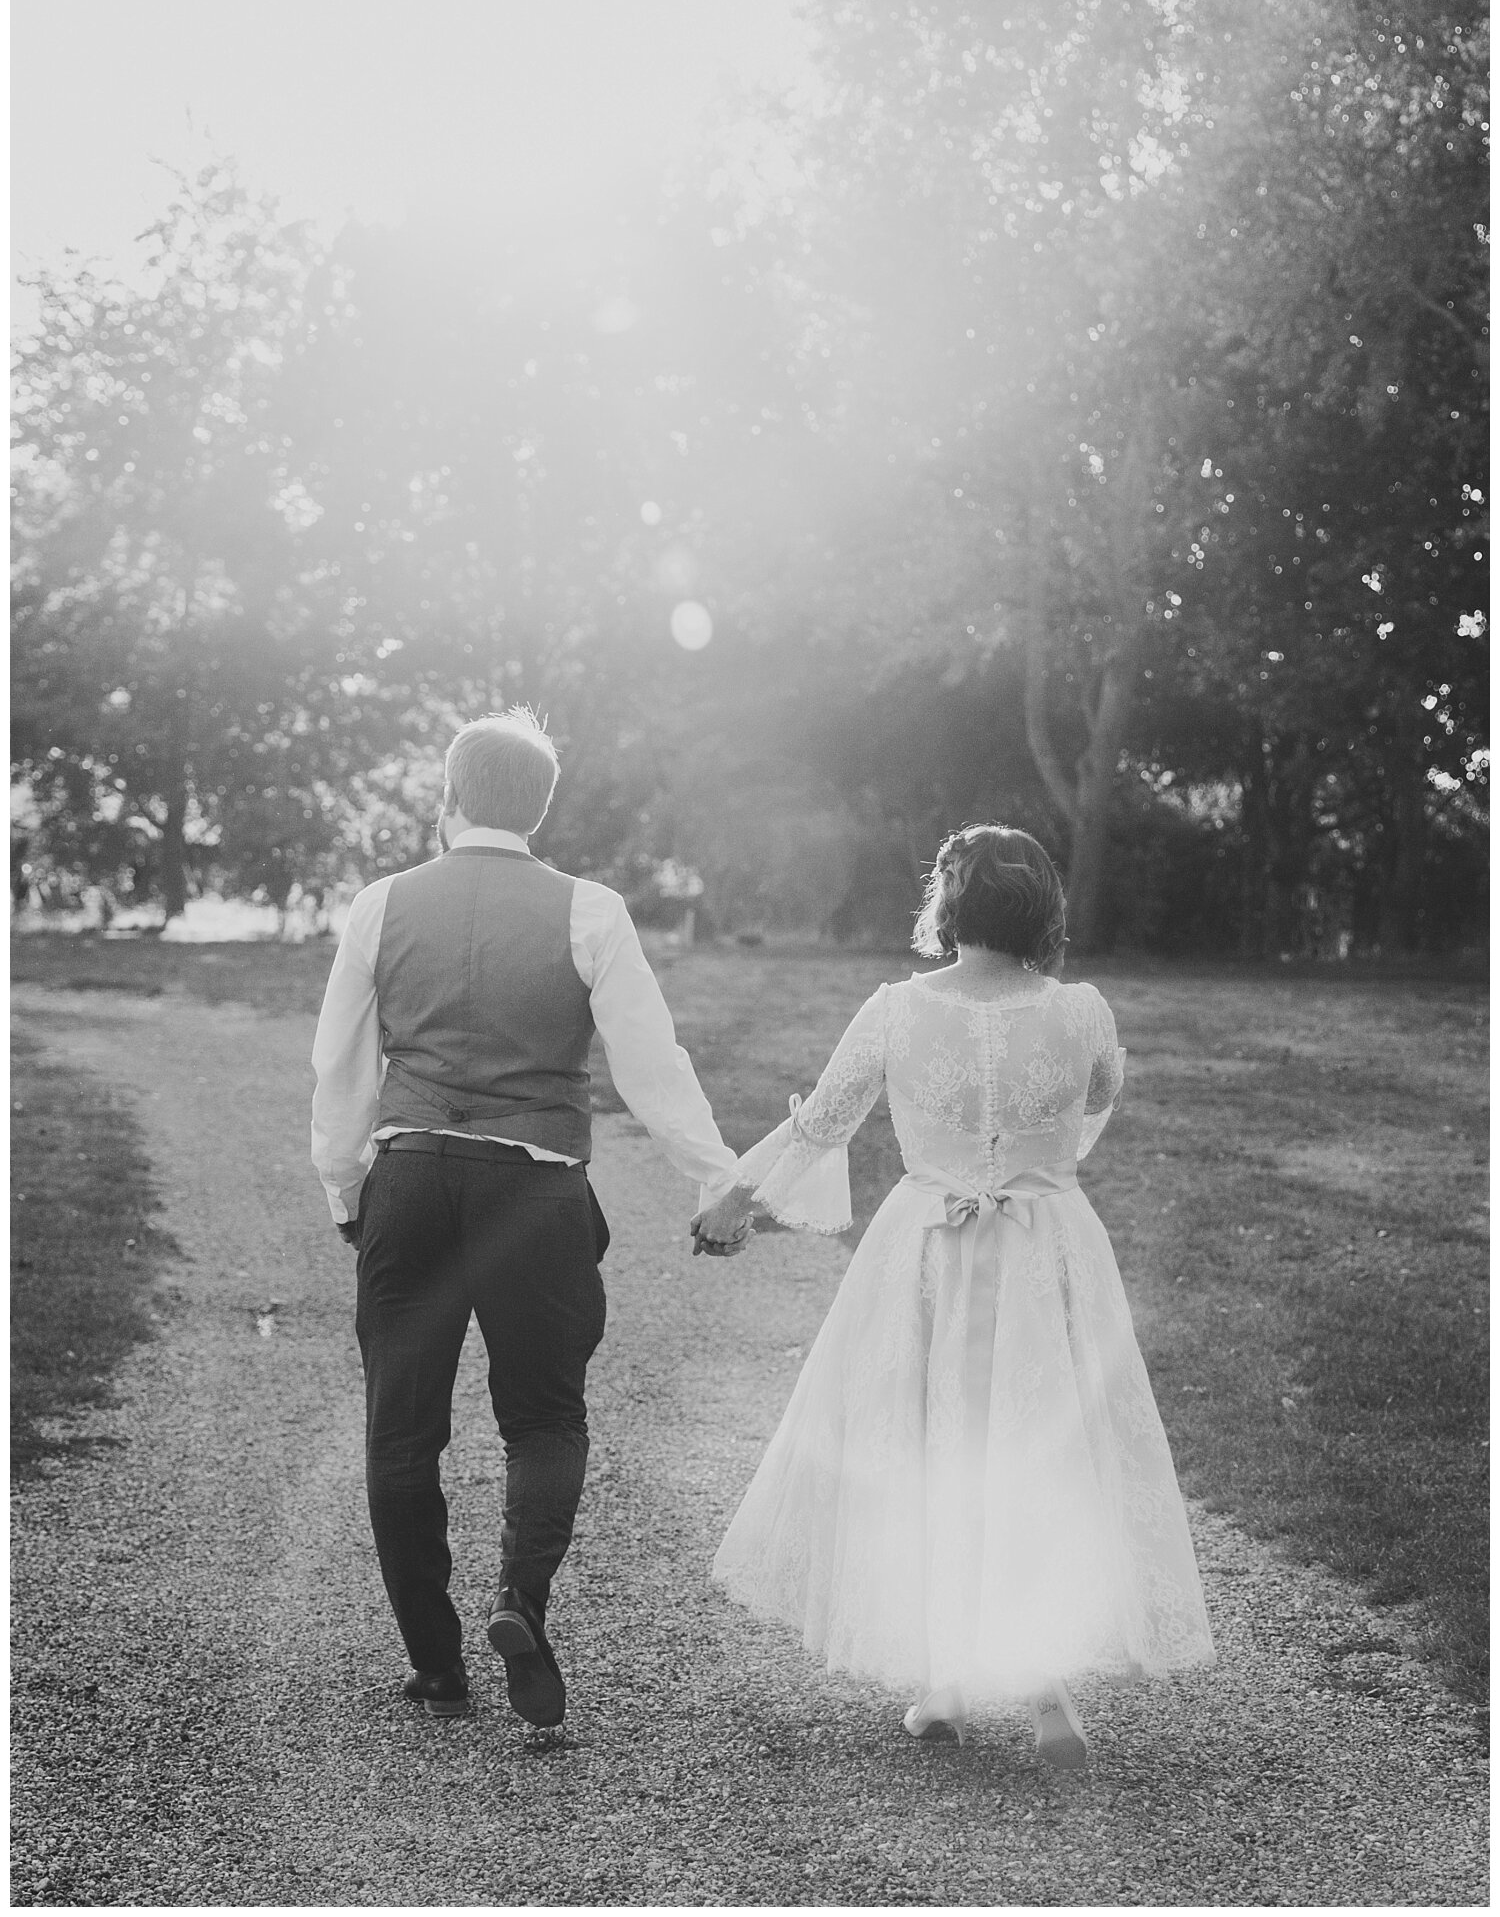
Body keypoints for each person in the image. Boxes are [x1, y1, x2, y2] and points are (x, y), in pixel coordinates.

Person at [693, 824, 1215, 1766]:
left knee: (928, 1450)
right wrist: (1031, 1166)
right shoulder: (1083, 1011)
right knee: (1036, 1449)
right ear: (1042, 910)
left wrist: (737, 1198)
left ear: (948, 903)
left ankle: (958, 1679)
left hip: (925, 1250)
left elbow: (822, 1124)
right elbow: (1094, 1106)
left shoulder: (896, 1009)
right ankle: (1015, 1682)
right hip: (1045, 1248)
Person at [311, 708, 744, 1729]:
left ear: (449, 798)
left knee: (400, 1428)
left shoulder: (382, 904)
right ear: (541, 806)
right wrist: (716, 1177)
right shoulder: (589, 910)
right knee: (545, 1416)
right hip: (536, 1190)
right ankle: (521, 1599)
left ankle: (435, 1663)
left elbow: (341, 1067)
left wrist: (344, 1190)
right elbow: (650, 1065)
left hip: (410, 1179)